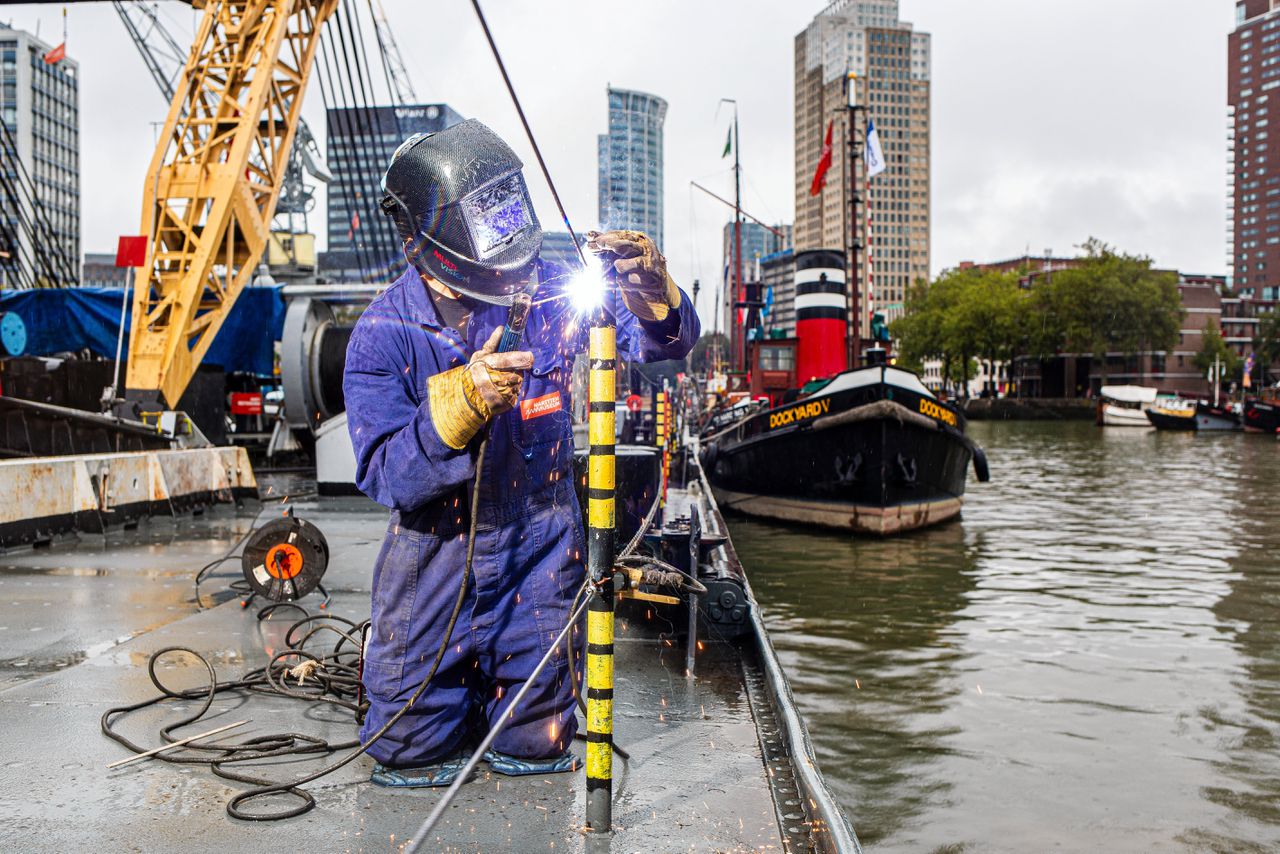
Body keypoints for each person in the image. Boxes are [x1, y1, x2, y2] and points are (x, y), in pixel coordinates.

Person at [343, 119, 699, 787]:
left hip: (539, 555)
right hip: (434, 565)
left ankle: (511, 709)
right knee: (408, 750)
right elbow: (387, 475)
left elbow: (663, 347)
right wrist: (452, 413)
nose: (520, 277)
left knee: (538, 744)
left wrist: (652, 292)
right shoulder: (383, 334)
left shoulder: (550, 291)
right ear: (437, 238)